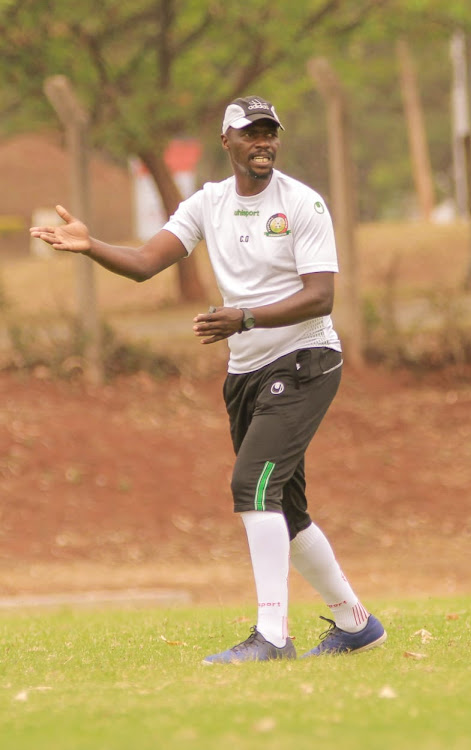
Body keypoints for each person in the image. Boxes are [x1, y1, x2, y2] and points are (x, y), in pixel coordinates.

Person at [30, 95, 386, 663]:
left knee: (252, 485)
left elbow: (321, 296)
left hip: (305, 361)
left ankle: (271, 637)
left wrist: (243, 317)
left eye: (270, 132)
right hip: (245, 371)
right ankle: (355, 623)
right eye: (251, 133)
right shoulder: (209, 203)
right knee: (284, 510)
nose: (263, 142)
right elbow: (148, 262)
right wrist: (91, 245)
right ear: (228, 142)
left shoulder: (302, 204)